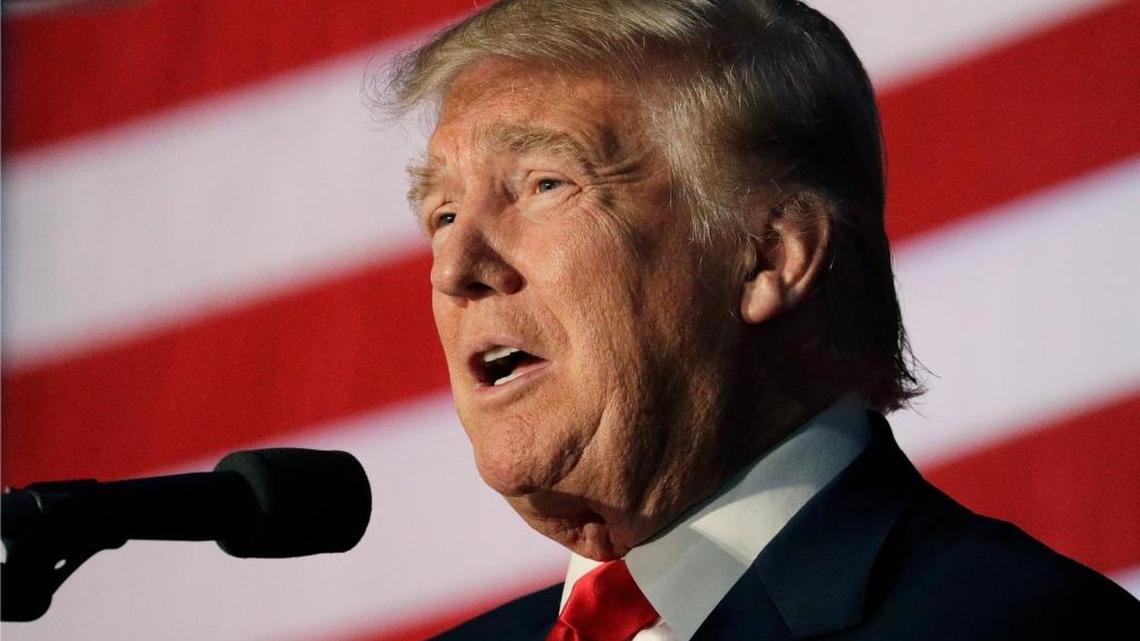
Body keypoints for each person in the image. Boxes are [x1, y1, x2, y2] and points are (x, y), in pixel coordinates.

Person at [384, 0, 1140, 638]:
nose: (454, 268)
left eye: (546, 183)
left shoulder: (1020, 623)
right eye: (442, 213)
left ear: (770, 256)